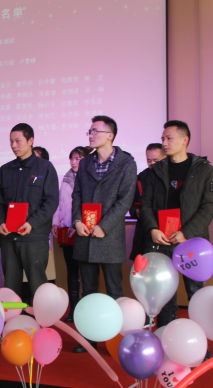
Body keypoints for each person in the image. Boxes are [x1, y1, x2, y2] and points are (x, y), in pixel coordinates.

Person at [140, 121, 213, 330]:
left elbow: (208, 206)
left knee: (196, 292)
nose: (164, 143)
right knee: (164, 292)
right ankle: (165, 333)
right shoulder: (156, 170)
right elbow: (145, 203)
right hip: (162, 239)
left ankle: (202, 338)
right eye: (162, 138)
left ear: (185, 140)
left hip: (192, 242)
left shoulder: (203, 169)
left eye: (169, 138)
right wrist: (152, 229)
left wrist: (186, 233)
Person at [71, 116, 137, 352]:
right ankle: (89, 337)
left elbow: (125, 200)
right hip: (86, 234)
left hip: (109, 236)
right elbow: (77, 195)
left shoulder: (126, 163)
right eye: (89, 131)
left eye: (95, 131)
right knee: (88, 291)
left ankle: (115, 340)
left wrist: (104, 226)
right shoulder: (86, 163)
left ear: (110, 135)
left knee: (114, 290)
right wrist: (77, 220)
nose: (90, 135)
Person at [0, 123, 59, 302]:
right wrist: (0, 222)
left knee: (37, 284)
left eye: (18, 141)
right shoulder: (4, 170)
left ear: (30, 141)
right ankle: (13, 319)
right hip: (8, 237)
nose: (14, 145)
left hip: (34, 237)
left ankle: (41, 319)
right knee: (10, 286)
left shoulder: (45, 168)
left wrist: (32, 223)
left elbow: (51, 201)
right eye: (11, 141)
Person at [52, 146, 88, 323]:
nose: (74, 162)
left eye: (78, 158)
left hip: (84, 231)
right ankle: (73, 308)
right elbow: (60, 203)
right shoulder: (65, 179)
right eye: (72, 158)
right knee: (72, 272)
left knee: (87, 273)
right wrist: (55, 221)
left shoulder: (89, 177)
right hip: (67, 231)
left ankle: (86, 310)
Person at [129, 144, 165, 261]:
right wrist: (136, 212)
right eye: (149, 160)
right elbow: (132, 203)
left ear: (165, 157)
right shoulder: (140, 178)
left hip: (166, 228)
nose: (152, 164)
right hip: (144, 229)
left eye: (156, 160)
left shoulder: (170, 176)